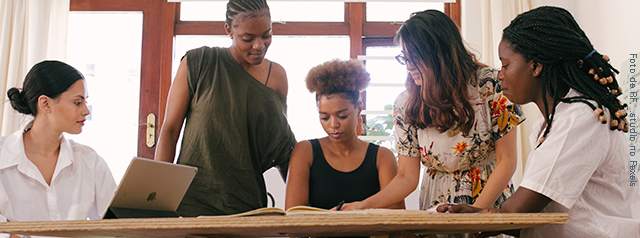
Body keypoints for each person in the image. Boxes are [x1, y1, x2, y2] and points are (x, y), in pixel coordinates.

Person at [439, 6, 640, 238]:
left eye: (506, 65)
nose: (500, 75)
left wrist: (475, 217)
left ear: (535, 66)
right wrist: (478, 214)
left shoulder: (580, 118)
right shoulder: (550, 122)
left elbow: (518, 212)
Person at [340, 10, 524, 213]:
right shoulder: (405, 103)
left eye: (415, 57)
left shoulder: (491, 85)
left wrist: (474, 212)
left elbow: (507, 160)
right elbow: (406, 177)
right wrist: (362, 206)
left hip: (488, 199)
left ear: (440, 52)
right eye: (404, 58)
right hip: (437, 205)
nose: (409, 66)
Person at [154, 0, 296, 216]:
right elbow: (170, 130)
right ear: (229, 30)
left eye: (266, 35)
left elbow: (281, 147)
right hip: (192, 203)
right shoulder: (199, 62)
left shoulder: (277, 77)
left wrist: (303, 212)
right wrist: (159, 200)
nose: (259, 45)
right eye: (248, 38)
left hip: (248, 206)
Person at [0, 61, 117, 228]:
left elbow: (117, 224)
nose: (86, 111)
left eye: (85, 102)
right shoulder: (2, 157)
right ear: (45, 104)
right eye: (78, 102)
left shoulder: (90, 161)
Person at [285, 59, 405, 211]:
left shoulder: (382, 157)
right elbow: (293, 218)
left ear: (359, 108)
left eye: (342, 116)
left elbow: (397, 220)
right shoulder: (305, 152)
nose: (333, 125)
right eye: (324, 117)